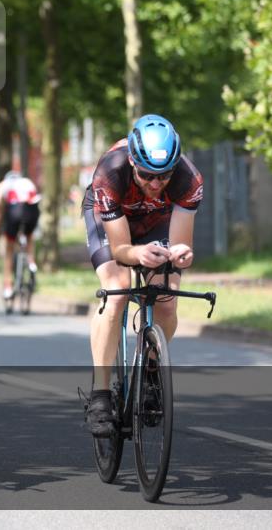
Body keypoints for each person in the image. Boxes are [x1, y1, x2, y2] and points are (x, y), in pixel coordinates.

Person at [81, 114, 203, 437]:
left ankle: (150, 369)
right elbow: (121, 249)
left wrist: (181, 254)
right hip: (111, 218)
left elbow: (181, 245)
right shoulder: (111, 174)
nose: (155, 183)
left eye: (163, 176)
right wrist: (137, 253)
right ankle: (101, 395)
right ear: (133, 162)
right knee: (117, 287)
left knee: (166, 297)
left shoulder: (189, 181)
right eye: (147, 175)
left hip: (156, 220)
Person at [0, 171, 41, 301]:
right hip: (32, 211)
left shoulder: (2, 185)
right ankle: (31, 263)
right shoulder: (28, 182)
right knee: (29, 236)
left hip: (15, 210)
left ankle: (8, 287)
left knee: (9, 250)